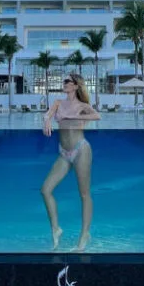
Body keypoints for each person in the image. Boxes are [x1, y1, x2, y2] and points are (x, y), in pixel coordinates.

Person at [41, 73, 100, 251]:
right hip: (64, 152)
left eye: (67, 81)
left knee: (84, 194)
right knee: (45, 190)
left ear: (75, 86)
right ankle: (56, 228)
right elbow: (48, 114)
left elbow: (97, 116)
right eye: (64, 81)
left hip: (81, 149)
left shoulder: (83, 106)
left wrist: (72, 118)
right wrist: (47, 119)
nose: (64, 83)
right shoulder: (58, 102)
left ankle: (84, 234)